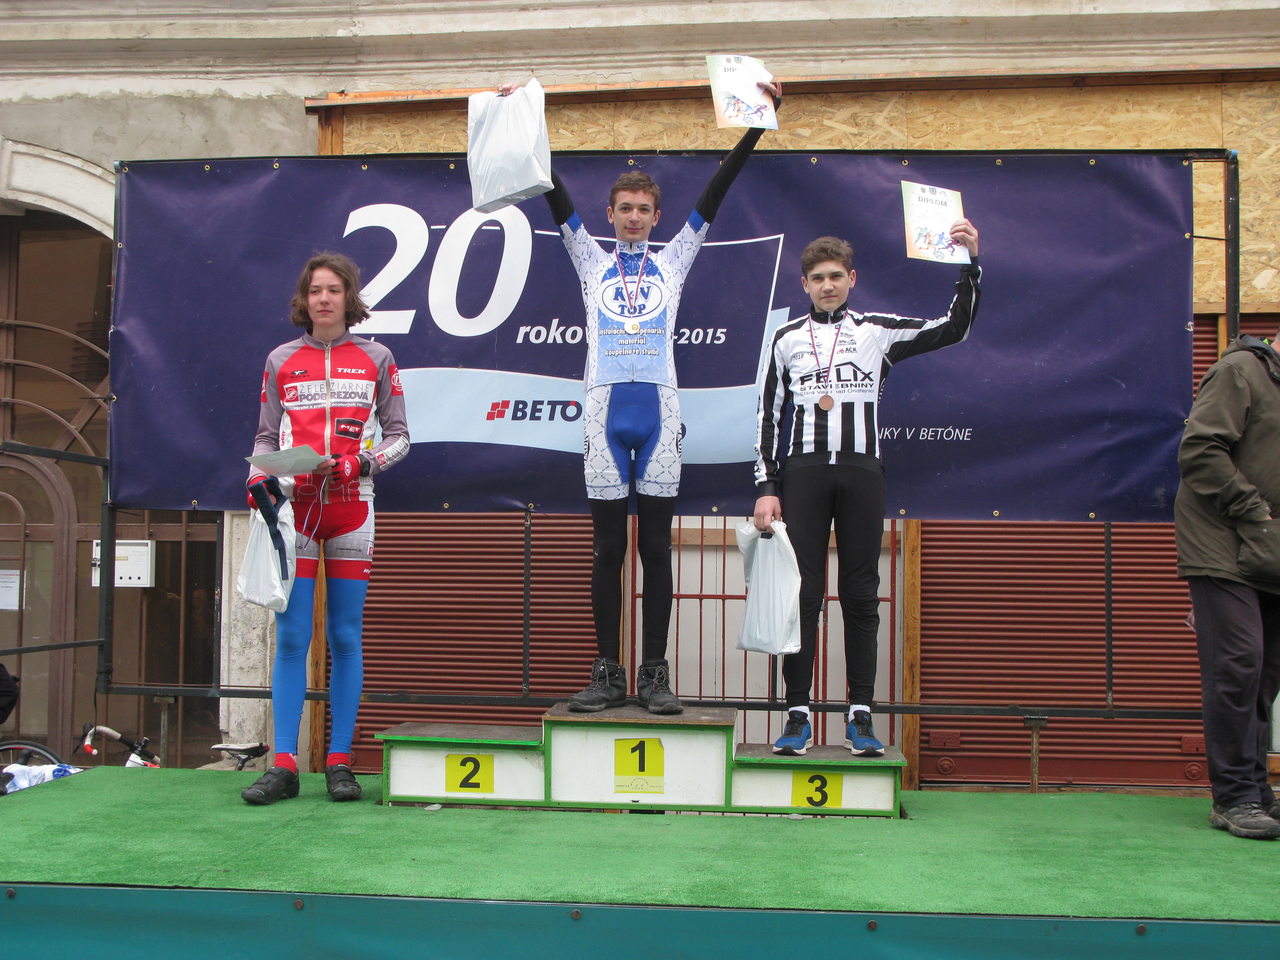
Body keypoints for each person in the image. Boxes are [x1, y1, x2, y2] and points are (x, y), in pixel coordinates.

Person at [498, 79, 780, 715]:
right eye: (623, 208)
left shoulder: (675, 259)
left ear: (656, 217)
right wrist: (522, 119)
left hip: (660, 412)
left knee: (655, 550)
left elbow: (716, 191)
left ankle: (655, 672)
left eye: (643, 209)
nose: (632, 217)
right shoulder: (589, 260)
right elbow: (552, 191)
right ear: (609, 215)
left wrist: (757, 124)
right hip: (603, 414)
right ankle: (607, 672)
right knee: (607, 551)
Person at [753, 228, 980, 755]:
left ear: (852, 279)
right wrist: (767, 485)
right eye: (817, 278)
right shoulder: (785, 338)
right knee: (802, 596)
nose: (827, 285)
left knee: (860, 595)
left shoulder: (877, 331)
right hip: (803, 475)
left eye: (836, 276)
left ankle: (860, 714)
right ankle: (797, 713)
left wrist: (970, 262)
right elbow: (767, 415)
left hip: (861, 474)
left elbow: (954, 328)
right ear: (804, 284)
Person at [240, 252, 410, 805]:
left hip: (352, 507)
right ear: (303, 299)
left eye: (334, 289)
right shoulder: (281, 359)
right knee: (292, 637)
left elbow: (400, 437)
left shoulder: (378, 357)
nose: (324, 299)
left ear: (349, 297)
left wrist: (362, 463)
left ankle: (340, 762)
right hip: (297, 511)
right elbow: (265, 438)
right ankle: (284, 765)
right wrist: (258, 476)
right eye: (315, 290)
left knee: (345, 636)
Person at [1175, 330, 1280, 839]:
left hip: (1269, 545)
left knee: (1264, 674)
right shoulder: (1241, 371)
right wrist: (1253, 510)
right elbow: (1200, 450)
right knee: (1237, 664)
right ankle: (1234, 797)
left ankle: (1257, 791)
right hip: (1220, 539)